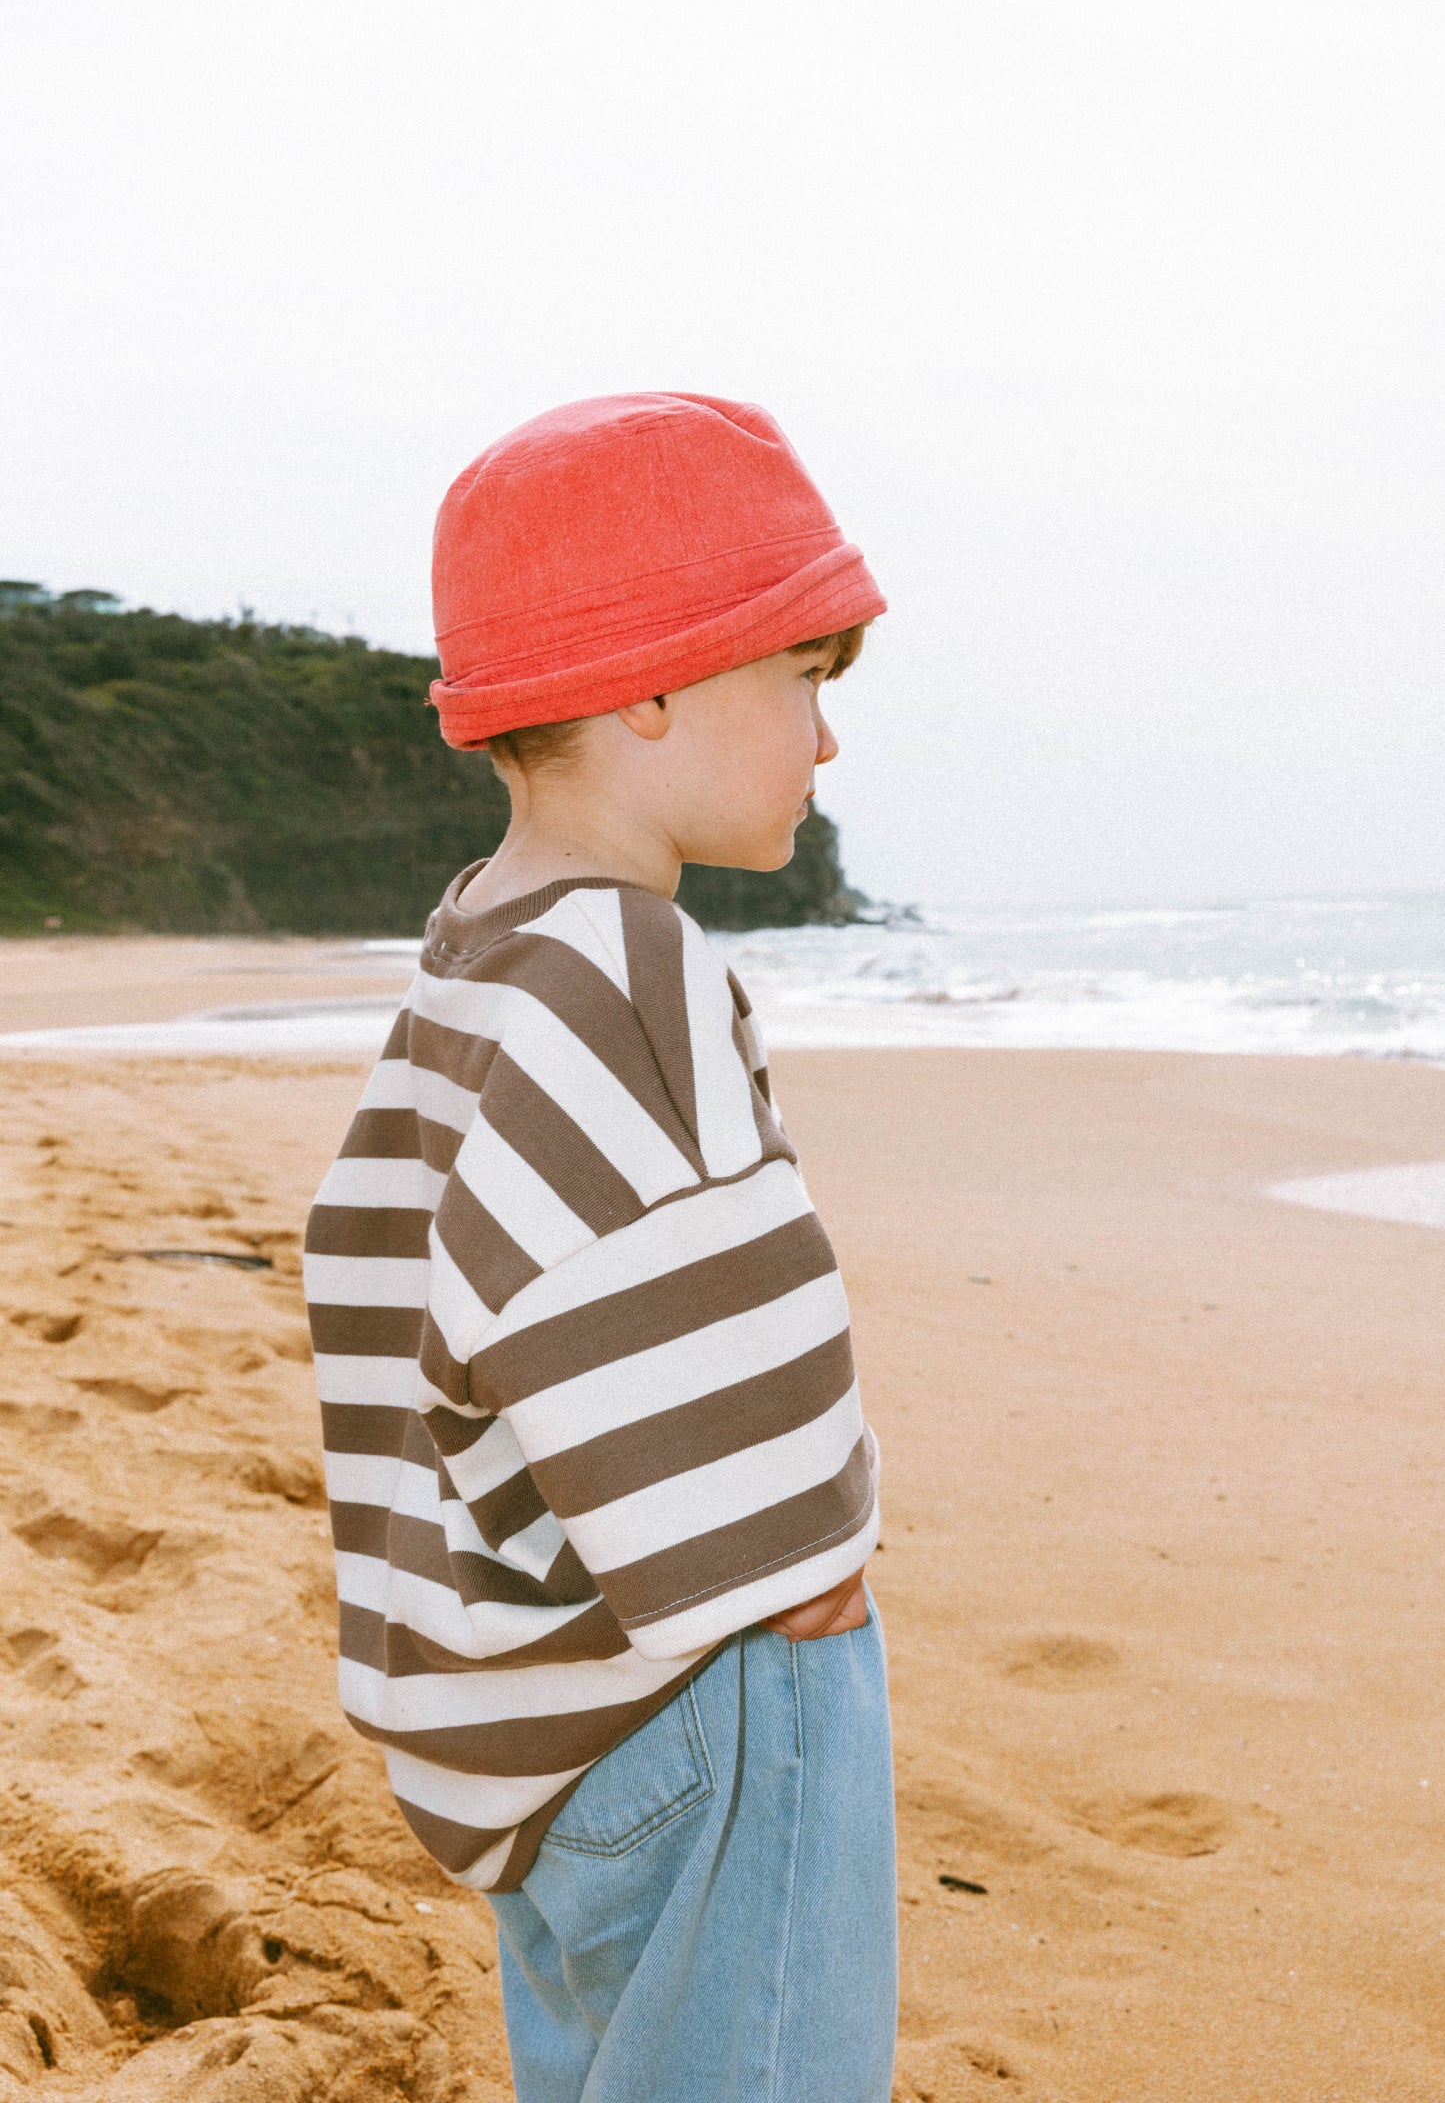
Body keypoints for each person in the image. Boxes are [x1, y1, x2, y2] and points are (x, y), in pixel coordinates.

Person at [303, 393, 897, 2101]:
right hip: (700, 1680)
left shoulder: (476, 949)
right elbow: (693, 1316)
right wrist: (808, 1588)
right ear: (651, 685)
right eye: (803, 679)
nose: (824, 742)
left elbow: (390, 1276)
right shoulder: (629, 963)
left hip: (537, 1715)